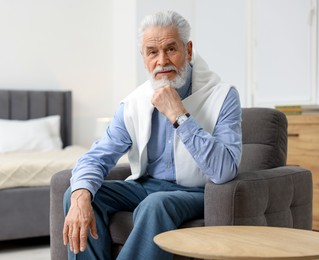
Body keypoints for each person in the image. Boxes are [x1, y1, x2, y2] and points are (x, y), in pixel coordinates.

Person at [63, 10, 242, 260]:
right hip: (146, 187)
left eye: (171, 49)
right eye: (152, 52)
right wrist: (81, 193)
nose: (162, 61)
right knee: (80, 194)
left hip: (197, 192)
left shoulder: (223, 96)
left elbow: (225, 170)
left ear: (188, 50)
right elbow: (98, 157)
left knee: (156, 203)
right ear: (143, 57)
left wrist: (179, 115)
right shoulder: (134, 103)